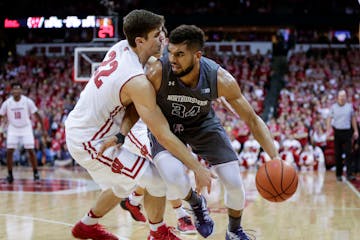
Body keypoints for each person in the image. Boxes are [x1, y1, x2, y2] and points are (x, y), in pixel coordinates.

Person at [65, 10, 213, 240]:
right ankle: (158, 233)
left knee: (122, 186)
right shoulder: (135, 81)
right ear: (140, 40)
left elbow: (158, 62)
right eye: (157, 34)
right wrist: (197, 167)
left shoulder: (121, 47)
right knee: (156, 179)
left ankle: (86, 226)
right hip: (91, 141)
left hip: (88, 127)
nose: (163, 37)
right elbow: (161, 133)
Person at [144, 25, 280, 239]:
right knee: (173, 178)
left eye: (180, 54)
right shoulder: (158, 72)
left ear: (197, 55)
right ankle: (196, 203)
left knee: (234, 184)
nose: (172, 59)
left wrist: (275, 158)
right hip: (167, 127)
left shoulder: (219, 78)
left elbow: (253, 120)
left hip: (202, 124)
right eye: (170, 52)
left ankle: (234, 231)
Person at [120, 119, 196, 234]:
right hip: (138, 127)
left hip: (156, 124)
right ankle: (181, 215)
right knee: (165, 168)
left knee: (156, 171)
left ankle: (133, 200)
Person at [0, 82, 46, 183]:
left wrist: (43, 129)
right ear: (11, 91)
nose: (16, 91)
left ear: (21, 91)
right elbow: (1, 115)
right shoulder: (7, 103)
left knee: (30, 150)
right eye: (14, 89)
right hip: (13, 127)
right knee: (9, 151)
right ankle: (10, 174)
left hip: (26, 127)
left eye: (18, 89)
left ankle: (35, 173)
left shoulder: (27, 101)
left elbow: (37, 115)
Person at [327, 90, 359, 181]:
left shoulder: (349, 107)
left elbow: (353, 119)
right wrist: (328, 129)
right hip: (337, 132)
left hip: (347, 132)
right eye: (341, 96)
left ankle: (349, 174)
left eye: (344, 96)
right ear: (338, 97)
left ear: (346, 97)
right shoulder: (333, 107)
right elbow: (329, 118)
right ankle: (339, 175)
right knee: (338, 154)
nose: (342, 97)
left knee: (349, 153)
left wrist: (356, 131)